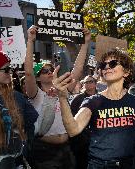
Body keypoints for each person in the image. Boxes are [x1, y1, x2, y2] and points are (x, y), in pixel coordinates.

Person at [53, 48, 135, 169]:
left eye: (113, 63)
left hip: (133, 164)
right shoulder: (93, 101)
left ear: (126, 72)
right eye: (103, 65)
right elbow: (73, 129)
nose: (107, 67)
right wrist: (62, 96)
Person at [24, 25, 91, 169]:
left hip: (67, 149)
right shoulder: (35, 94)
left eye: (51, 69)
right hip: (44, 151)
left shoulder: (63, 90)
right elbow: (28, 72)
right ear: (37, 78)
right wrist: (30, 41)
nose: (49, 72)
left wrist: (85, 43)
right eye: (44, 70)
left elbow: (77, 70)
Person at [0, 47, 38, 169]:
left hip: (16, 163)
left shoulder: (18, 97)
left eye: (11, 68)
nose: (10, 72)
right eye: (6, 69)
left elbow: (36, 129)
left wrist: (51, 101)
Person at [69, 75, 98, 169]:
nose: (89, 84)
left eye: (91, 81)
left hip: (99, 139)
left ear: (95, 83)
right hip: (82, 140)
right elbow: (71, 118)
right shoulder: (77, 99)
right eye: (86, 82)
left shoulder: (102, 97)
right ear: (83, 85)